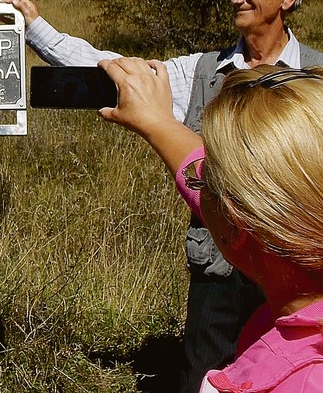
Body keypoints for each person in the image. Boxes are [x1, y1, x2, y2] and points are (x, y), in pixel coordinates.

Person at [2, 0, 323, 391]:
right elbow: (113, 70)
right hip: (218, 266)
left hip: (303, 277)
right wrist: (37, 28)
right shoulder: (202, 71)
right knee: (204, 375)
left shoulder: (317, 78)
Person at [98, 57, 323, 392]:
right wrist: (158, 123)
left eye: (208, 182)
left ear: (235, 224)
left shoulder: (296, 381)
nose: (199, 180)